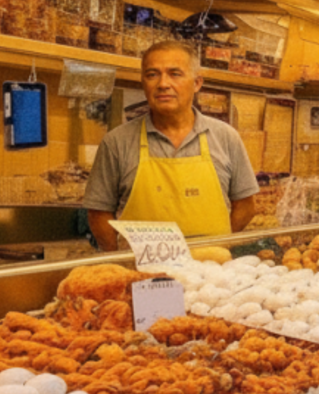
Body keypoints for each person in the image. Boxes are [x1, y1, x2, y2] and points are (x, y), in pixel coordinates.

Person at [85, 40, 260, 250]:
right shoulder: (116, 142)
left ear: (197, 83)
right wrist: (122, 264)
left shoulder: (226, 137)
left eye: (175, 74)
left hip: (209, 275)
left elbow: (246, 207)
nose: (163, 84)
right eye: (152, 74)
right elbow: (98, 213)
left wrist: (218, 246)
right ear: (143, 82)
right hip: (142, 278)